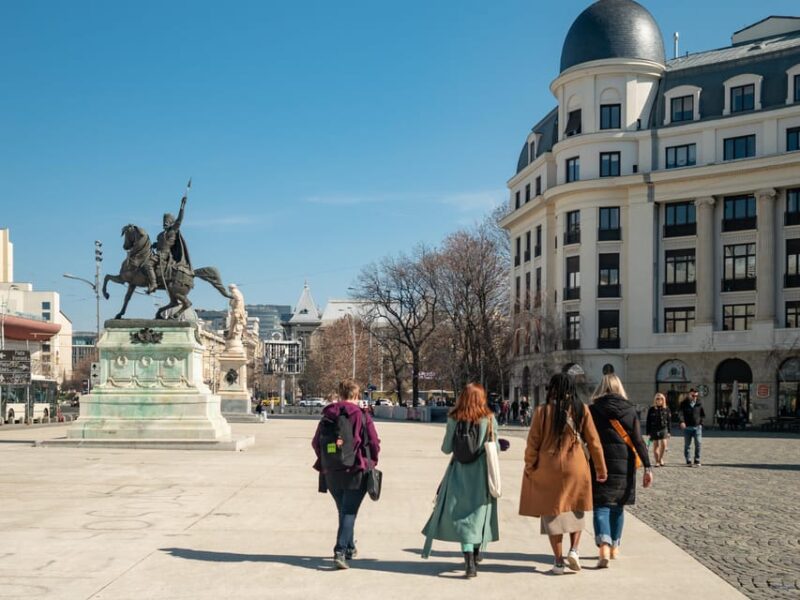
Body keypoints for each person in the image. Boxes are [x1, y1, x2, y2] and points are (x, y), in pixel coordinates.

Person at [519, 373, 607, 575]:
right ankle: (574, 550)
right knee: (576, 507)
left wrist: (529, 465)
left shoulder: (542, 412)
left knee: (552, 513)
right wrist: (601, 468)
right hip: (576, 465)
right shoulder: (581, 409)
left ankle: (558, 561)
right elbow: (594, 442)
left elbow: (533, 443)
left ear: (551, 389)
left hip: (548, 466)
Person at [422, 383, 500, 578]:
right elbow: (495, 449)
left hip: (458, 473)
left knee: (462, 516)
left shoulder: (453, 418)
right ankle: (475, 553)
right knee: (477, 515)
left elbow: (446, 448)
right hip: (481, 475)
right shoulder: (489, 419)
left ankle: (469, 563)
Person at [312, 379, 381, 570]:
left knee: (343, 509)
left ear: (340, 394)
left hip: (331, 471)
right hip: (355, 469)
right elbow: (373, 442)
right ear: (356, 395)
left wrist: (327, 459)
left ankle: (350, 547)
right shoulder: (361, 415)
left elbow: (316, 442)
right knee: (349, 511)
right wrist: (372, 460)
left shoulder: (328, 414)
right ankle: (340, 551)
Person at [590, 374, 653, 568]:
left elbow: (587, 437)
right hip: (624, 464)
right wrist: (648, 466)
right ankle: (615, 547)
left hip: (599, 462)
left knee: (601, 505)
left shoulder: (592, 409)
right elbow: (638, 440)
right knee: (618, 506)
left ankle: (604, 546)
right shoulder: (629, 410)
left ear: (602, 387)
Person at [679, 389, 705, 467]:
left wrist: (701, 423)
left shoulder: (699, 403)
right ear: (689, 395)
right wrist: (682, 421)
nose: (694, 397)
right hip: (687, 428)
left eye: (696, 396)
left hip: (697, 427)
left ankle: (697, 460)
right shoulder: (684, 404)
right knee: (687, 445)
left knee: (698, 444)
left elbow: (702, 415)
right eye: (693, 395)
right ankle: (688, 460)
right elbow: (680, 414)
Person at [645, 393, 671, 467]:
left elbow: (669, 421)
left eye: (661, 399)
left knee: (664, 443)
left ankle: (661, 458)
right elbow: (648, 421)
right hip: (654, 429)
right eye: (657, 399)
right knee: (656, 445)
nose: (659, 400)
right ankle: (657, 461)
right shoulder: (651, 409)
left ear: (663, 400)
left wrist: (669, 431)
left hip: (664, 428)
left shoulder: (667, 409)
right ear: (655, 400)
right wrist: (648, 432)